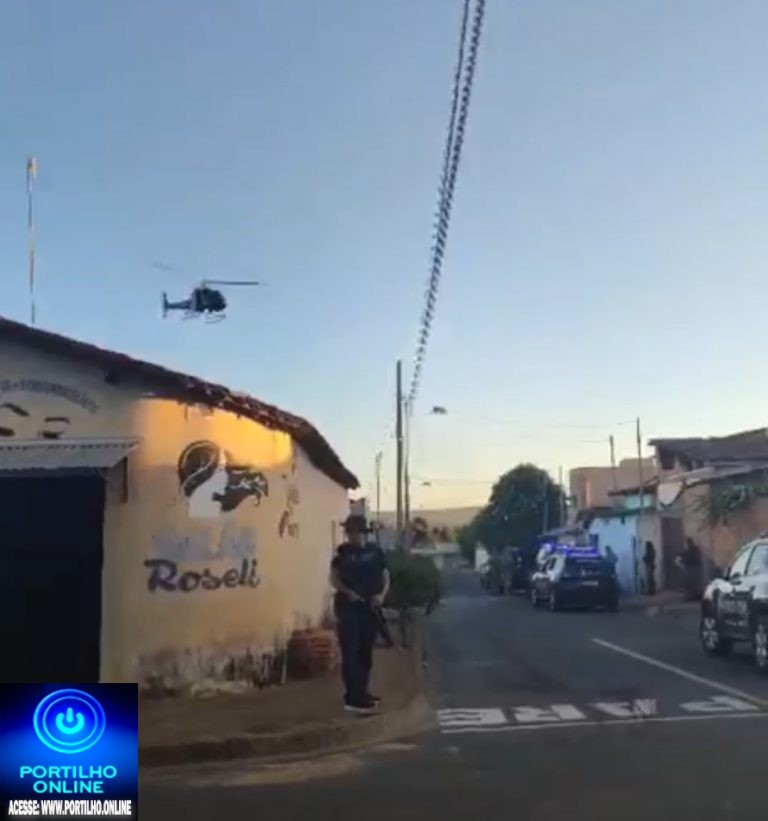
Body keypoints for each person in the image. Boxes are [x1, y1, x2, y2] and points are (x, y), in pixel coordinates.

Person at [330, 515, 390, 714]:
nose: (349, 535)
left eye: (352, 532)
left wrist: (381, 596)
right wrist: (348, 593)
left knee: (365, 653)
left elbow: (385, 575)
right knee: (351, 653)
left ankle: (362, 693)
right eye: (348, 532)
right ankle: (353, 698)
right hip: (349, 609)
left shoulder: (375, 552)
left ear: (362, 533)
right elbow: (334, 579)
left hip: (370, 609)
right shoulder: (342, 553)